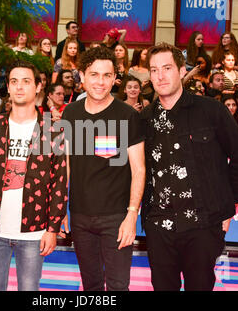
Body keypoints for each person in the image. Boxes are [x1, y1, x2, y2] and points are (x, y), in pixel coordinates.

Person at [140, 42, 238, 291]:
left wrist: (230, 206)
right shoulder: (143, 120)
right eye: (154, 69)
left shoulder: (211, 110)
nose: (160, 75)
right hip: (159, 226)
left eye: (167, 68)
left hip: (203, 224)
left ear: (181, 71)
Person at [0, 59, 68, 291]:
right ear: (8, 88)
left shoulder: (53, 130)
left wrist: (52, 229)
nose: (19, 87)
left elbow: (59, 183)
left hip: (34, 231)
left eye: (26, 81)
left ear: (38, 87)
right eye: (14, 81)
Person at [61, 46, 146, 291]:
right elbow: (65, 165)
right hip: (79, 215)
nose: (100, 81)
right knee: (91, 286)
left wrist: (132, 215)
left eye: (107, 75)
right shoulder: (71, 113)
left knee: (119, 287)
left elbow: (139, 169)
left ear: (114, 78)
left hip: (116, 217)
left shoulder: (127, 115)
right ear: (82, 76)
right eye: (94, 75)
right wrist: (61, 206)